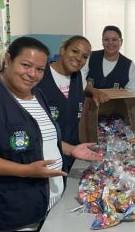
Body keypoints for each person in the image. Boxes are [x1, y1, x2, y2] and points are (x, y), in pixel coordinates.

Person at [0, 37, 99, 232]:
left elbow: (42, 139)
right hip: (12, 216)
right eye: (26, 65)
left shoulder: (36, 95)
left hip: (46, 210)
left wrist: (71, 149)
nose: (32, 74)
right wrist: (25, 170)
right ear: (8, 61)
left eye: (40, 69)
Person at [37, 35, 91, 172]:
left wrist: (95, 92)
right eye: (74, 51)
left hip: (72, 153)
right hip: (45, 155)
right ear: (62, 50)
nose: (79, 58)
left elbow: (86, 89)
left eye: (84, 56)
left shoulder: (78, 77)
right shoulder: (40, 77)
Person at [84, 25, 135, 104]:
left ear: (121, 42)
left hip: (115, 111)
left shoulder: (129, 66)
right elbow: (80, 81)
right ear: (102, 41)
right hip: (88, 108)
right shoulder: (90, 57)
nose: (110, 43)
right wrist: (94, 91)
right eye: (106, 39)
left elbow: (133, 95)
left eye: (114, 39)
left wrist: (123, 94)